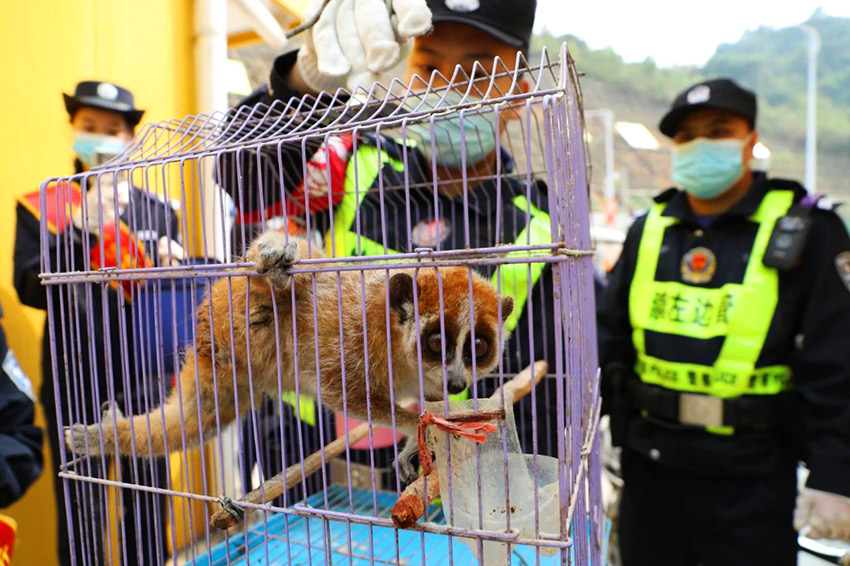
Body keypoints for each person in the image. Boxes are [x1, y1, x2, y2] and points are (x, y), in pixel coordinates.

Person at [219, 0, 567, 493]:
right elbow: (239, 175)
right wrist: (300, 82)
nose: (448, 89)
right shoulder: (354, 161)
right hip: (308, 455)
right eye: (429, 66)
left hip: (450, 490)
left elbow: (543, 397)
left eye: (476, 71)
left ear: (518, 94)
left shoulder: (537, 227)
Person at [598, 78, 850, 566]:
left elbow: (837, 361)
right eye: (688, 135)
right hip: (650, 471)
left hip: (752, 478)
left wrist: (835, 477)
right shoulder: (648, 228)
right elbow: (608, 341)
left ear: (750, 139)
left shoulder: (805, 228)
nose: (701, 144)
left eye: (719, 130)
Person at [13, 81, 181, 566]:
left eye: (114, 129)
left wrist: (174, 266)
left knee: (149, 502)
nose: (102, 139)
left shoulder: (157, 210)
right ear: (73, 130)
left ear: (131, 137)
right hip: (74, 377)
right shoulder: (41, 205)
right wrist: (78, 232)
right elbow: (28, 285)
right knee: (81, 508)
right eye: (90, 128)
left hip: (144, 378)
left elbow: (164, 300)